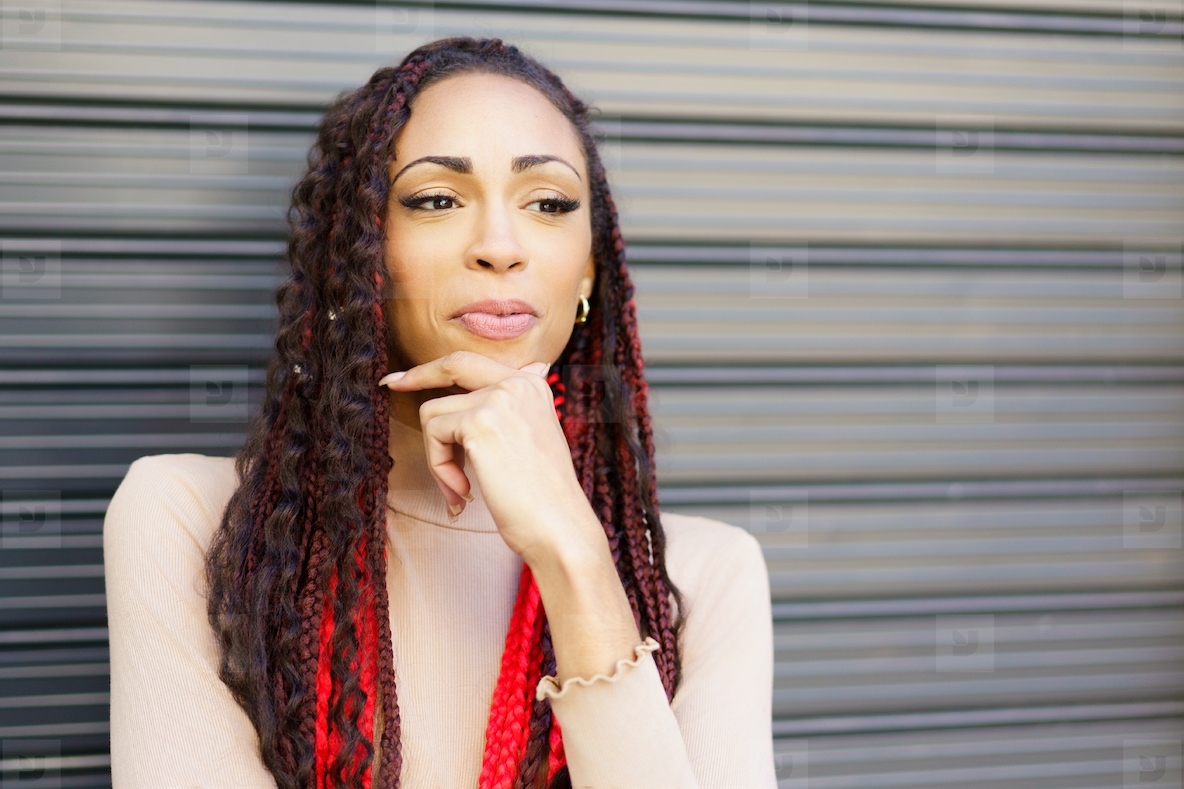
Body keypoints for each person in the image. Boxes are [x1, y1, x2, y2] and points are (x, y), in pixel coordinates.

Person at [103, 36, 776, 789]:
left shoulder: (705, 575)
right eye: (436, 200)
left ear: (589, 266)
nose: (499, 246)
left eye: (549, 204)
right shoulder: (190, 522)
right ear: (361, 253)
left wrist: (576, 557)